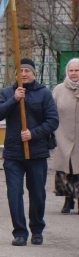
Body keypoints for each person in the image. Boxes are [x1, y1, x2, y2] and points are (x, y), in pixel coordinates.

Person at [0, 58, 59, 246]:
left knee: (37, 193)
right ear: (15, 74)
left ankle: (37, 229)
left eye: (27, 70)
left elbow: (53, 121)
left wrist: (33, 134)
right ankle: (20, 232)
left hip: (37, 153)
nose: (23, 74)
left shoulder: (44, 94)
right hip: (13, 153)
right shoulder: (7, 93)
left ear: (34, 73)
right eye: (20, 70)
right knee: (14, 193)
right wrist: (14, 99)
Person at [51, 58, 79, 213]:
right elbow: (51, 111)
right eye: (71, 70)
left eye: (77, 70)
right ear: (67, 72)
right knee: (66, 169)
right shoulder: (59, 90)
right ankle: (68, 199)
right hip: (62, 135)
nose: (74, 73)